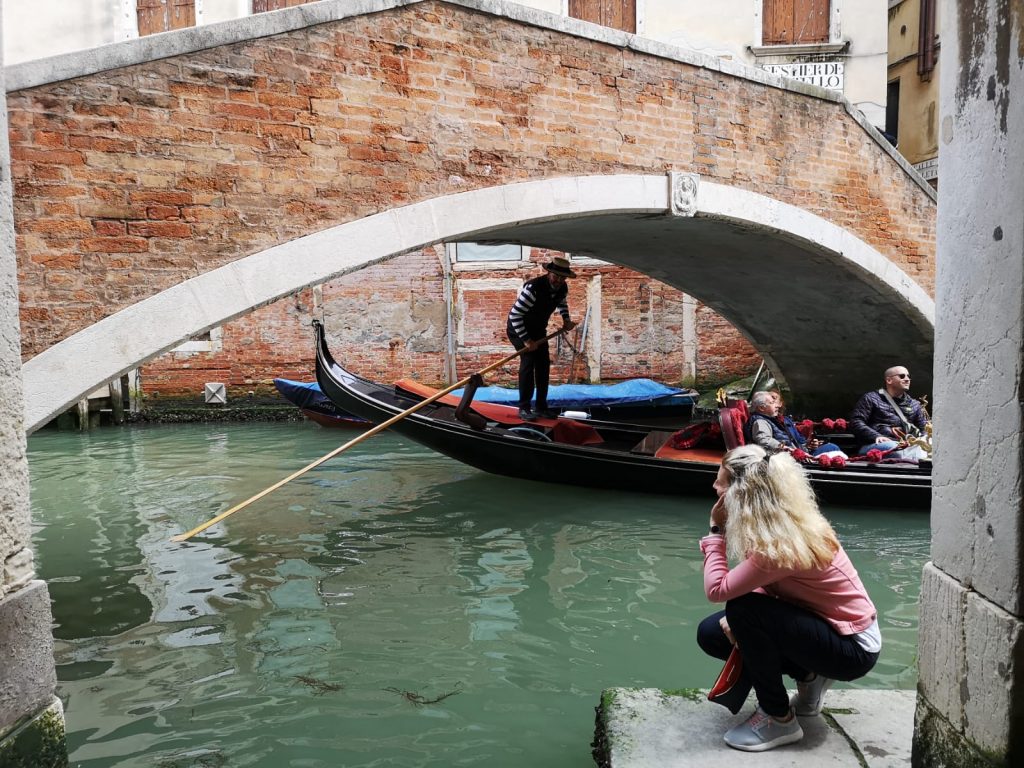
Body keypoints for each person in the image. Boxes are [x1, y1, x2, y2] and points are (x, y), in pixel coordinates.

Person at [697, 445, 881, 752]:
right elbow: (767, 585)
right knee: (713, 632)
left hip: (853, 648)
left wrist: (716, 531)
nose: (715, 487)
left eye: (722, 483)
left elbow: (717, 590)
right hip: (831, 628)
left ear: (744, 494)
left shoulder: (778, 545)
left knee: (742, 609)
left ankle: (778, 718)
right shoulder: (784, 526)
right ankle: (809, 675)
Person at [506, 256, 577, 420]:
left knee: (543, 365)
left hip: (538, 329)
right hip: (518, 329)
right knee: (528, 362)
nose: (559, 280)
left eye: (562, 277)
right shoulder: (533, 289)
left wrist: (566, 320)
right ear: (549, 273)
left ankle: (540, 407)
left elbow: (561, 303)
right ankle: (524, 408)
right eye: (556, 275)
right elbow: (515, 315)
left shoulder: (562, 288)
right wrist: (526, 340)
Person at [849, 366, 928, 459]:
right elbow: (856, 422)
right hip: (876, 445)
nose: (907, 379)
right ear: (889, 380)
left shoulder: (914, 404)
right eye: (902, 376)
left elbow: (924, 428)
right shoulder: (871, 398)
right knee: (895, 450)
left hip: (905, 444)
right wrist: (876, 436)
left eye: (908, 376)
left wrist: (923, 441)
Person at [746, 391, 845, 458]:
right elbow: (764, 440)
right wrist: (785, 448)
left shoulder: (775, 420)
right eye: (772, 403)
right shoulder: (760, 421)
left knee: (831, 447)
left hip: (797, 454)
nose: (777, 405)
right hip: (790, 459)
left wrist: (808, 446)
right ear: (762, 408)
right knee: (833, 447)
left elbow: (797, 441)